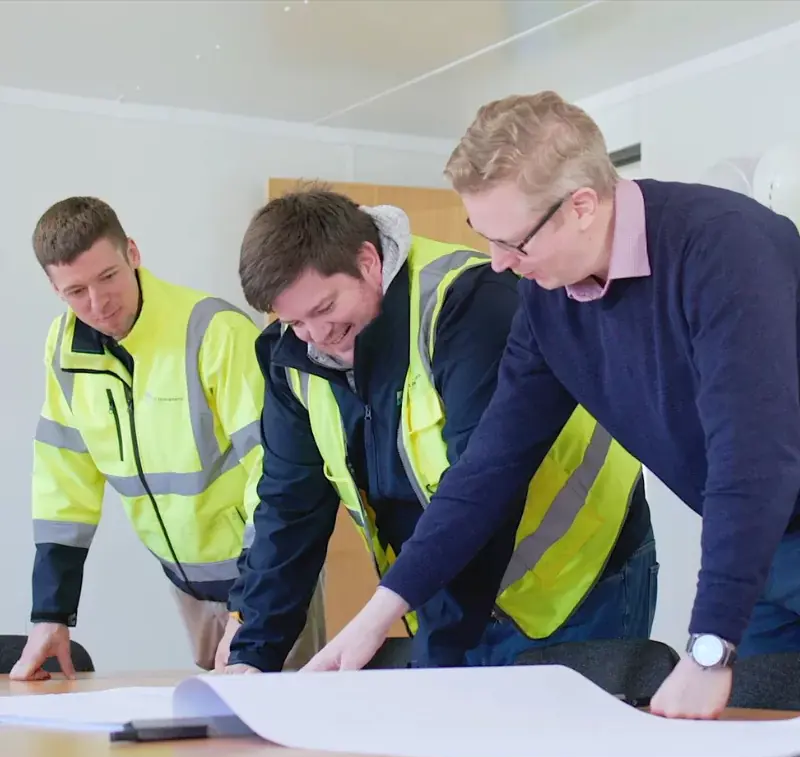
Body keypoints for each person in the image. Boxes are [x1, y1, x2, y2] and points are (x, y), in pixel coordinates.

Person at [304, 92, 800, 720]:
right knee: (760, 749)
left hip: (763, 508)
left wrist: (706, 652)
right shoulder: (550, 304)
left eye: (513, 242)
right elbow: (488, 469)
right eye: (483, 238)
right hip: (765, 548)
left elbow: (752, 455)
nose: (498, 262)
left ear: (582, 206)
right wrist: (377, 617)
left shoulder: (722, 247)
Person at [223, 186, 656, 675]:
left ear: (368, 262)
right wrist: (252, 653)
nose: (316, 336)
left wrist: (436, 653)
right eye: (295, 321)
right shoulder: (293, 357)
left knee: (564, 748)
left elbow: (487, 488)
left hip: (578, 575)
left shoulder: (469, 304)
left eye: (324, 309)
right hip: (446, 587)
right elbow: (289, 508)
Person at [11, 196, 325, 680]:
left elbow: (276, 474)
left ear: (133, 253)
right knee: (217, 735)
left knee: (284, 724)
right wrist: (51, 613)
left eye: (108, 277)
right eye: (76, 290)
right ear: (54, 289)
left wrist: (252, 608)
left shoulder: (212, 331)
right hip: (189, 586)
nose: (98, 303)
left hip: (268, 576)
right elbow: (63, 479)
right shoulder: (64, 350)